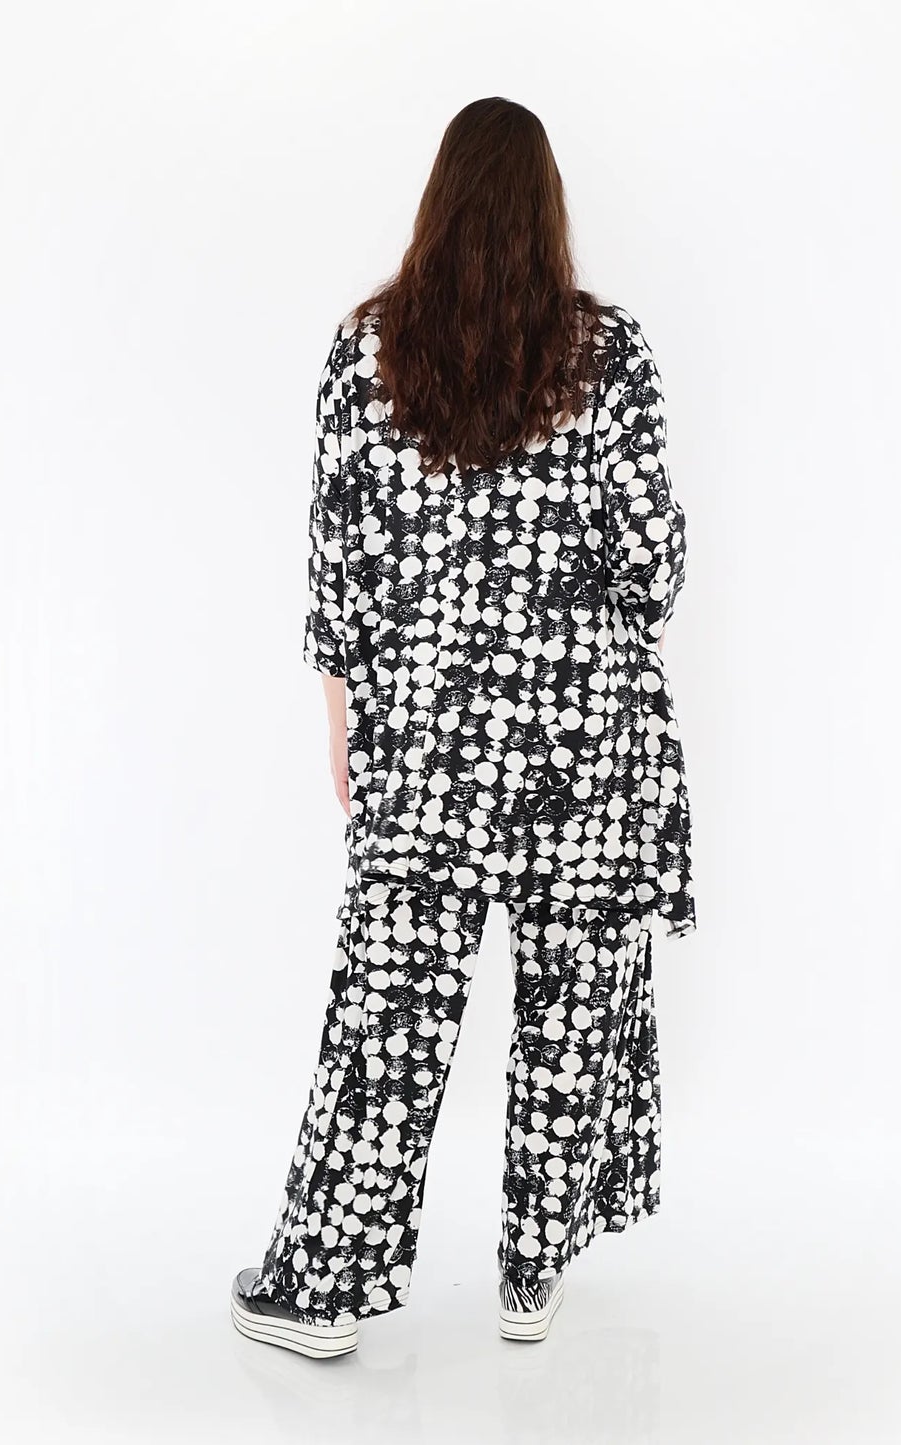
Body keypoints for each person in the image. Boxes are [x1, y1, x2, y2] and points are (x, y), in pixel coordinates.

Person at [230, 96, 696, 1360]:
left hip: (427, 738)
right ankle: (530, 1275)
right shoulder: (608, 354)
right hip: (583, 742)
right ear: (547, 211)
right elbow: (652, 562)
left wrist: (347, 723)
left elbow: (341, 569)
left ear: (436, 203)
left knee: (385, 1018)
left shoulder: (366, 351)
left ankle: (324, 1288)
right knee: (572, 1008)